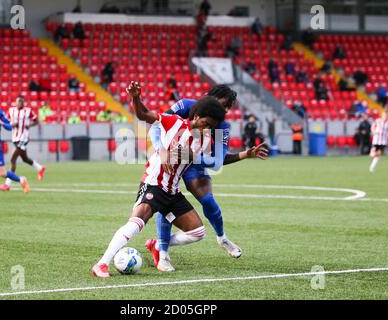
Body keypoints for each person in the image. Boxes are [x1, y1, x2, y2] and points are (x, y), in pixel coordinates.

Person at [91, 82, 227, 277]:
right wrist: (136, 97)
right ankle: (101, 264)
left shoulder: (206, 140)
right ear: (196, 116)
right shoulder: (174, 123)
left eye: (211, 127)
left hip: (172, 190)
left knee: (197, 233)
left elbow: (212, 160)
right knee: (136, 223)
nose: (207, 129)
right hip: (154, 183)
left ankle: (157, 245)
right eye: (206, 124)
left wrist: (245, 154)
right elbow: (143, 115)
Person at [146, 85, 268, 271]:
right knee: (167, 200)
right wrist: (161, 148)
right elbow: (156, 126)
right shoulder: (186, 106)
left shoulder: (222, 125)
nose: (226, 111)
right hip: (170, 158)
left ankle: (222, 238)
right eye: (224, 105)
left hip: (194, 163)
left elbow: (217, 161)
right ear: (209, 97)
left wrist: (242, 155)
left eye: (229, 107)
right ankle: (162, 253)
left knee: (208, 201)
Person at [0, 96, 45, 191]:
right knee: (25, 159)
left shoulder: (28, 111)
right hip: (15, 138)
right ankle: (40, 168)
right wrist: (12, 124)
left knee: (13, 159)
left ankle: (7, 184)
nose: (20, 103)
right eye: (19, 102)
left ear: (24, 103)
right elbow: (6, 121)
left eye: (22, 102)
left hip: (24, 138)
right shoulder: (11, 111)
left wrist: (30, 125)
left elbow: (36, 121)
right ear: (15, 102)